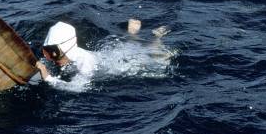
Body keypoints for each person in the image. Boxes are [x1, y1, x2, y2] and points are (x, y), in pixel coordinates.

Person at [35, 18, 170, 91]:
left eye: (53, 54)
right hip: (110, 55)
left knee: (158, 60)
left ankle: (157, 37)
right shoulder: (70, 55)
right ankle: (132, 34)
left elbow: (78, 87)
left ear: (66, 48)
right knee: (130, 46)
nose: (51, 59)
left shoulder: (84, 62)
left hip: (126, 62)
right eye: (47, 53)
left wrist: (48, 78)